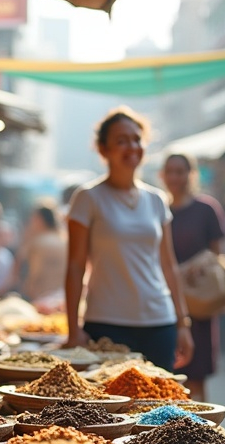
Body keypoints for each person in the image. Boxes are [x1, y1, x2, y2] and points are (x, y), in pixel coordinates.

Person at [63, 106, 194, 372]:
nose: (131, 147)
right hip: (107, 324)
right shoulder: (88, 198)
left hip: (160, 322)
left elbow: (168, 265)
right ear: (103, 150)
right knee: (113, 407)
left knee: (159, 408)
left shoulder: (156, 200)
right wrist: (73, 329)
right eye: (121, 141)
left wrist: (182, 323)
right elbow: (75, 266)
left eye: (136, 139)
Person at [160, 152, 225, 401]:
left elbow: (219, 256)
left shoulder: (206, 209)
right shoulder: (158, 210)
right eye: (170, 171)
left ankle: (200, 431)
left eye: (181, 171)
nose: (175, 177)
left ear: (191, 174)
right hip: (164, 302)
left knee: (197, 376)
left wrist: (192, 269)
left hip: (199, 303)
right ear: (162, 175)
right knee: (168, 379)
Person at [12, 200, 68, 307]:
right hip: (62, 298)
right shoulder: (65, 241)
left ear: (39, 219)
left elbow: (31, 272)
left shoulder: (36, 242)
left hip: (41, 299)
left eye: (33, 218)